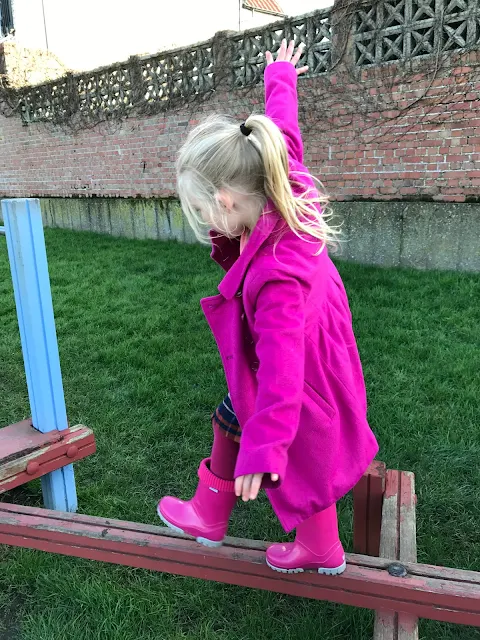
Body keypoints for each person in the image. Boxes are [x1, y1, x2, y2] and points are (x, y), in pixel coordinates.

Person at [158, 39, 379, 575]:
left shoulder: (277, 276)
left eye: (202, 210)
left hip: (301, 373)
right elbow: (284, 132)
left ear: (227, 199)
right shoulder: (287, 183)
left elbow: (281, 373)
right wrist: (280, 74)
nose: (207, 223)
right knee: (259, 421)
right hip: (321, 351)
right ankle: (313, 544)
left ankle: (215, 513)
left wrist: (265, 449)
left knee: (258, 421)